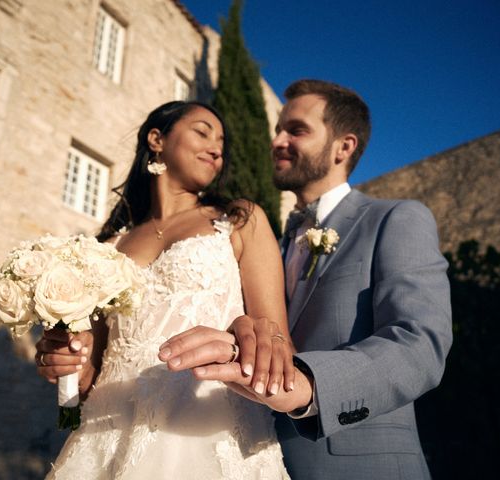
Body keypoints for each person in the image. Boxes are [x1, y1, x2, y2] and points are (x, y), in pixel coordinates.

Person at [159, 79, 453, 479]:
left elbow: (421, 344)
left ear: (343, 147)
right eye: (278, 129)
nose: (278, 140)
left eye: (296, 130)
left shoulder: (395, 218)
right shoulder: (268, 244)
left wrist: (309, 385)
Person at [34, 100, 298, 479]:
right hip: (106, 432)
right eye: (202, 132)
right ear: (157, 139)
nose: (216, 149)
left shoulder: (239, 220)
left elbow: (276, 343)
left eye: (221, 142)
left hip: (206, 428)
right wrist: (65, 361)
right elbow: (90, 372)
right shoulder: (107, 247)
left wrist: (244, 342)